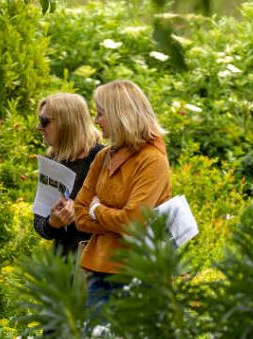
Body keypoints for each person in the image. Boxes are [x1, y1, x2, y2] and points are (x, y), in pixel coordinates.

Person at [74, 80, 172, 310]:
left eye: (100, 113)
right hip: (98, 270)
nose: (96, 121)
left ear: (121, 115)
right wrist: (115, 220)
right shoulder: (104, 156)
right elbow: (79, 215)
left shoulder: (152, 160)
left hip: (138, 274)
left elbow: (132, 222)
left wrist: (97, 210)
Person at [32, 93, 105, 256]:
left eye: (45, 121)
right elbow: (39, 223)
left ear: (67, 122)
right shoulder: (53, 160)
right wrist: (53, 223)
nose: (39, 127)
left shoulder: (101, 158)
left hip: (96, 261)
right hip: (64, 264)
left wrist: (83, 212)